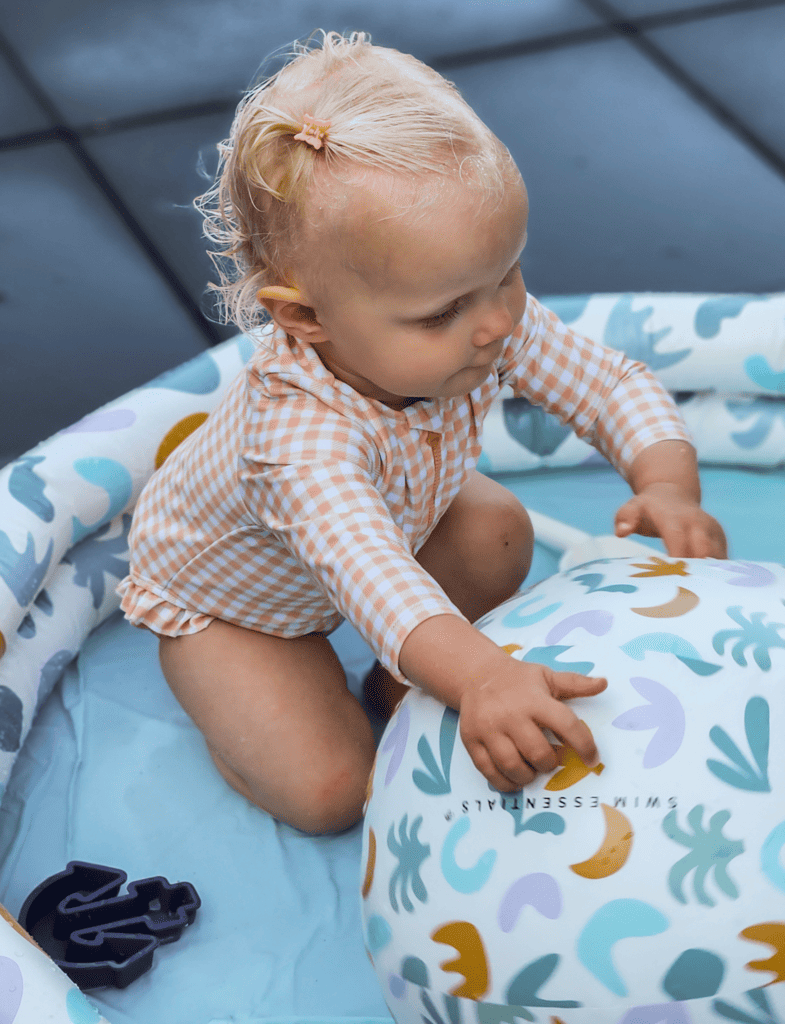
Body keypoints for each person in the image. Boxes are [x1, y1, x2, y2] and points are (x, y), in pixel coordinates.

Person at [116, 29, 728, 836]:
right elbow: (372, 575)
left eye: (506, 275)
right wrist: (481, 678)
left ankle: (399, 682)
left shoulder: (479, 323)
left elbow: (609, 384)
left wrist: (664, 482)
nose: (496, 323)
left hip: (394, 522)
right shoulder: (294, 442)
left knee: (496, 531)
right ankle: (244, 720)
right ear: (306, 318)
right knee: (334, 792)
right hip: (238, 608)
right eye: (444, 311)